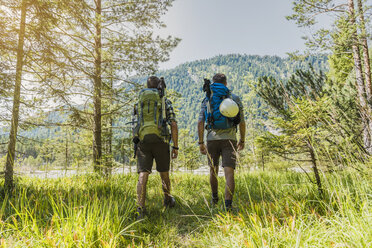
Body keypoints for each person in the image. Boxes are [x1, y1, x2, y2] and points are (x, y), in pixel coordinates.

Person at [197, 73, 246, 211]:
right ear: (226, 83)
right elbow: (242, 122)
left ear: (213, 83)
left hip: (212, 139)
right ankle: (228, 206)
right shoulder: (234, 98)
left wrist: (201, 142)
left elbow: (200, 122)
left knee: (213, 170)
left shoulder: (207, 99)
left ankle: (214, 199)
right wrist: (242, 139)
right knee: (229, 172)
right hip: (230, 139)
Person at [134, 76, 179, 219]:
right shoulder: (164, 101)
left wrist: (137, 141)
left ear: (147, 86)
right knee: (164, 173)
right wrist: (175, 146)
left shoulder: (139, 101)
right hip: (161, 141)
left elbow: (135, 123)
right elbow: (173, 124)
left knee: (143, 174)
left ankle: (140, 208)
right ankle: (167, 200)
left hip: (143, 141)